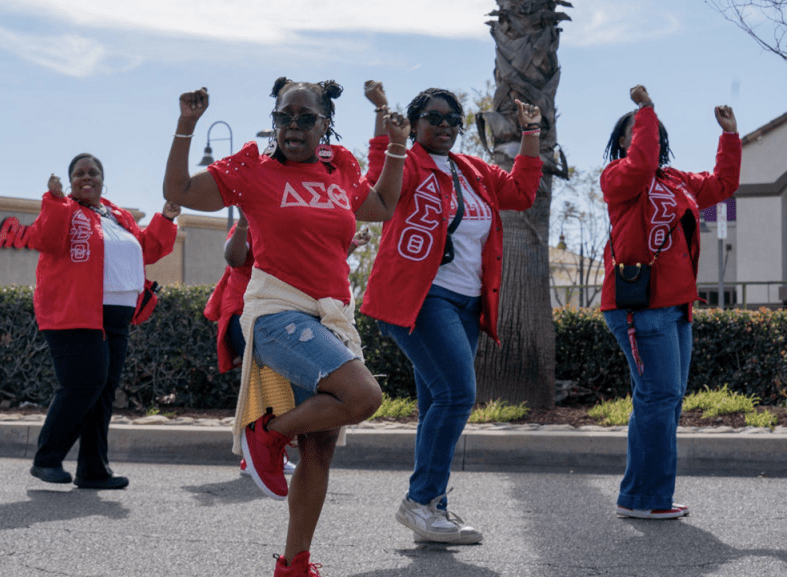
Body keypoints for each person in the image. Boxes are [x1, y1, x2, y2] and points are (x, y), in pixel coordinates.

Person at [164, 80, 409, 577]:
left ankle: (294, 564)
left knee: (319, 449)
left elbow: (381, 208)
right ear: (274, 121)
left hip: (332, 317)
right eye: (284, 117)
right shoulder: (253, 164)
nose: (293, 126)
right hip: (277, 314)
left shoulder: (340, 166)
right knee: (363, 396)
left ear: (325, 124)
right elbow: (179, 192)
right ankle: (269, 434)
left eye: (305, 117)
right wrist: (187, 126)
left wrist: (399, 148)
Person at [360, 81, 544, 544]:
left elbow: (521, 193)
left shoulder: (473, 170)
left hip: (467, 303)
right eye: (433, 118)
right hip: (422, 298)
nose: (443, 126)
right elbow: (379, 187)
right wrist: (385, 122)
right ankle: (420, 502)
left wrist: (531, 134)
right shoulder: (409, 161)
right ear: (416, 122)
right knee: (459, 395)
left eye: (452, 120)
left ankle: (433, 508)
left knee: (436, 404)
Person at [600, 85, 740, 520]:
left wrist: (729, 137)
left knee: (665, 399)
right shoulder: (618, 177)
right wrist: (644, 109)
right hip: (639, 306)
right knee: (658, 396)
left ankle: (641, 496)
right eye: (642, 130)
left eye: (657, 130)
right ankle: (643, 498)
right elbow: (641, 166)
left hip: (676, 307)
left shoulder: (676, 181)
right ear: (626, 140)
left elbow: (723, 184)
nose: (651, 136)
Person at [26, 153, 179, 490]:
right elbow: (46, 239)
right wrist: (52, 199)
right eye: (79, 172)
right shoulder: (65, 209)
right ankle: (47, 458)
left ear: (102, 179)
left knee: (104, 391)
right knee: (85, 384)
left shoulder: (117, 215)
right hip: (76, 312)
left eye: (93, 172)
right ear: (70, 181)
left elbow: (147, 249)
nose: (87, 177)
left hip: (117, 315)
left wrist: (166, 217)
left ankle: (94, 469)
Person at [205, 212, 370, 477]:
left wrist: (350, 245)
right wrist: (246, 221)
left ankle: (271, 445)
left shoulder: (300, 223)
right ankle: (262, 445)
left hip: (294, 313)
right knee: (266, 382)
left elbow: (320, 266)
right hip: (254, 312)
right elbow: (234, 259)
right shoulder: (258, 217)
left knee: (300, 400)